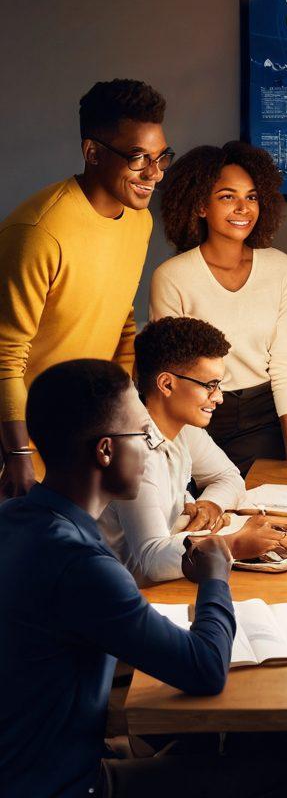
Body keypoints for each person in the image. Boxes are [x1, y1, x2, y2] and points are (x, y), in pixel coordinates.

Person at [0, 357, 287, 798]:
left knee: (197, 754)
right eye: (142, 435)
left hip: (22, 762)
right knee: (278, 775)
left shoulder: (15, 519)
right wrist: (216, 575)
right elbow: (204, 671)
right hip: (62, 786)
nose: (151, 447)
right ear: (105, 450)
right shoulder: (84, 565)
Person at [0, 78, 170, 499]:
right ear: (92, 152)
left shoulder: (139, 219)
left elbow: (122, 317)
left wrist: (122, 415)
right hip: (20, 440)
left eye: (160, 157)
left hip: (79, 437)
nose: (154, 173)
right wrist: (18, 452)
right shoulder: (39, 232)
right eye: (138, 159)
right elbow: (5, 355)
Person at [150, 141, 287, 479]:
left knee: (265, 516)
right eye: (228, 196)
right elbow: (166, 378)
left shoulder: (280, 268)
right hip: (194, 419)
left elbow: (285, 363)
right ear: (201, 206)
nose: (243, 208)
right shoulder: (172, 277)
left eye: (252, 197)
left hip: (261, 421)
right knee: (203, 521)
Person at [100, 317, 287, 584]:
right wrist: (233, 544)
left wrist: (211, 504)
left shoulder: (184, 430)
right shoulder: (131, 454)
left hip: (167, 580)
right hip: (128, 596)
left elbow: (229, 477)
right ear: (167, 384)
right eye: (209, 385)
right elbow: (151, 560)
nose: (219, 397)